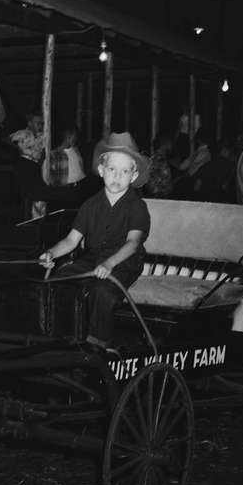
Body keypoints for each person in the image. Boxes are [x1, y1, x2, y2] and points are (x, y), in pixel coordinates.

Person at [38, 132, 151, 350]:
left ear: (134, 175)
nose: (117, 176)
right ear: (101, 170)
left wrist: (110, 264)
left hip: (125, 263)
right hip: (93, 259)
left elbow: (133, 243)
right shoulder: (90, 205)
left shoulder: (137, 206)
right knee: (60, 279)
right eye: (111, 169)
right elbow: (71, 240)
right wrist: (51, 253)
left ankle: (98, 345)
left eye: (125, 171)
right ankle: (63, 337)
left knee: (103, 292)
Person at [193, 138, 237, 203]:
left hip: (204, 201)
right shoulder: (231, 166)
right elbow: (225, 186)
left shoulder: (207, 164)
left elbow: (196, 187)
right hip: (220, 202)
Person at [144, 133, 174, 198]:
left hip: (158, 195)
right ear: (164, 145)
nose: (171, 146)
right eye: (170, 144)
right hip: (159, 196)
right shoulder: (159, 160)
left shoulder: (154, 159)